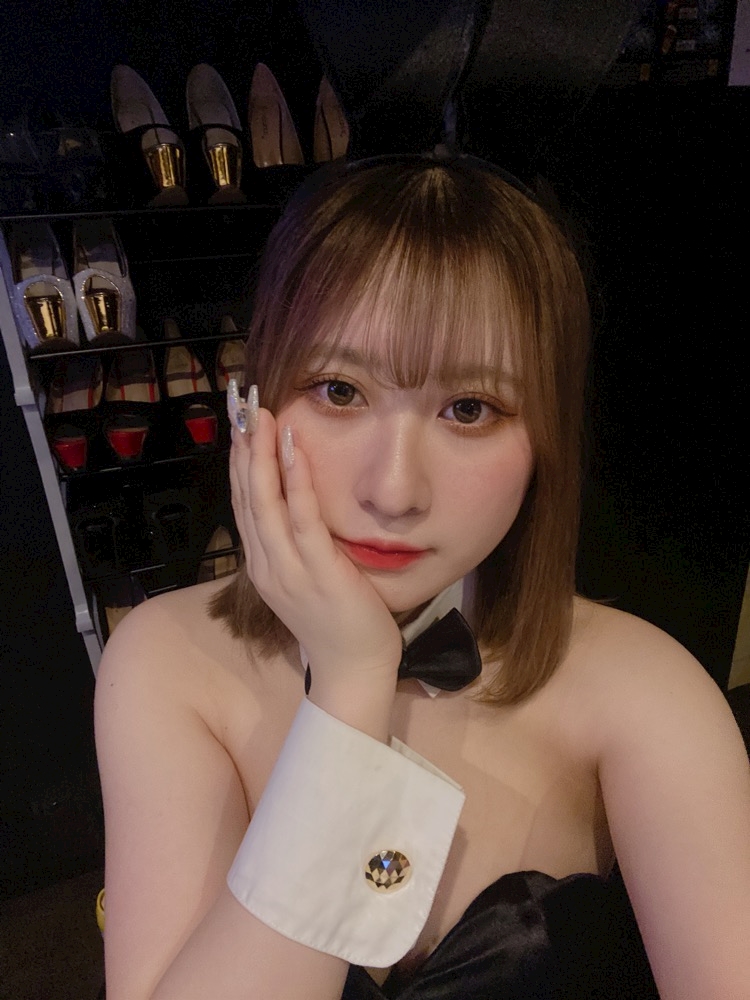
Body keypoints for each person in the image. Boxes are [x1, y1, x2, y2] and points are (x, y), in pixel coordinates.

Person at [94, 157, 750, 1000]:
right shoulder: (167, 661)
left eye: (469, 409)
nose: (394, 491)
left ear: (546, 439)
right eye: (339, 391)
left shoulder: (644, 690)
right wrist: (350, 688)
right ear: (252, 405)